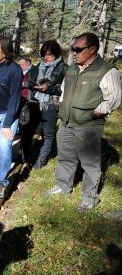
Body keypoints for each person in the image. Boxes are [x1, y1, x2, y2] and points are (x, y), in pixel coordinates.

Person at [45, 32, 121, 212]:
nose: (73, 53)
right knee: (65, 158)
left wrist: (97, 112)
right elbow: (64, 90)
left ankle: (90, 198)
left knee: (90, 164)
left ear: (93, 49)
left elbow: (114, 98)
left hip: (88, 126)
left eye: (78, 49)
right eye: (72, 49)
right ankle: (63, 186)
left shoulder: (106, 70)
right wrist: (62, 104)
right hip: (66, 123)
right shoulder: (72, 69)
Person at [0, 37, 23, 199]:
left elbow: (15, 98)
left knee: (5, 146)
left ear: (5, 52)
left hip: (9, 116)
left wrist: (7, 124)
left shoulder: (15, 70)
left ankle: (1, 181)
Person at [26, 41, 68, 169]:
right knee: (28, 130)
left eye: (48, 54)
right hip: (35, 102)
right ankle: (26, 157)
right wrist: (32, 86)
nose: (45, 57)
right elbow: (30, 83)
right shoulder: (38, 66)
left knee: (48, 134)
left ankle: (40, 162)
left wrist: (47, 89)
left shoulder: (64, 68)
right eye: (43, 54)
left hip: (51, 104)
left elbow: (64, 89)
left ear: (56, 54)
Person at [17, 57, 41, 165]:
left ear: (28, 63)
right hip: (20, 103)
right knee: (23, 128)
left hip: (31, 103)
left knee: (27, 128)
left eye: (21, 64)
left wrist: (25, 84)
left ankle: (25, 156)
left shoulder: (35, 70)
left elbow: (39, 84)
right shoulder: (20, 72)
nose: (20, 66)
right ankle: (23, 154)